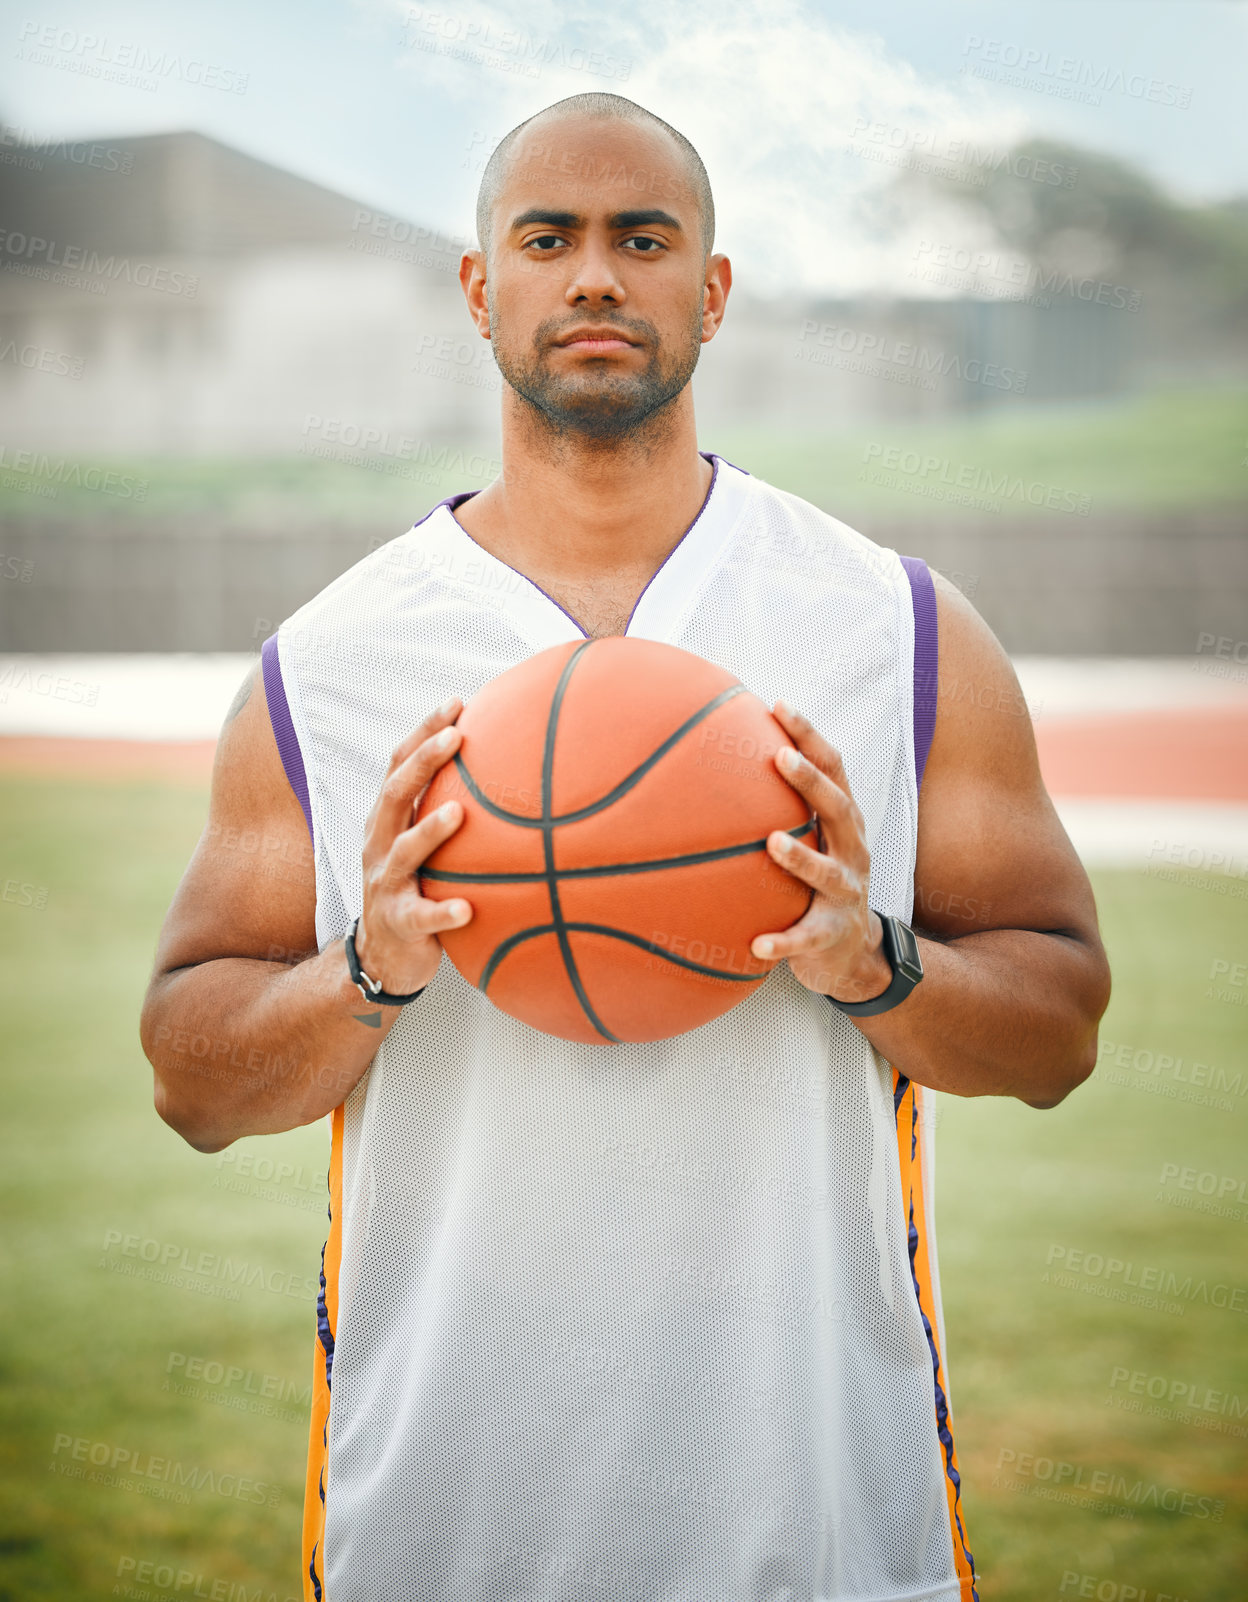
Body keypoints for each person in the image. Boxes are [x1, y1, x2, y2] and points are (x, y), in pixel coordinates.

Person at [141, 92, 1111, 1602]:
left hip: (819, 1524)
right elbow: (190, 1081)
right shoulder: (330, 664)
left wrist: (875, 958)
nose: (595, 276)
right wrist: (367, 971)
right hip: (445, 1529)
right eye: (548, 238)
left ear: (711, 294)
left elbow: (1057, 1035)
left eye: (642, 239)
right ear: (482, 291)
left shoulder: (897, 629)